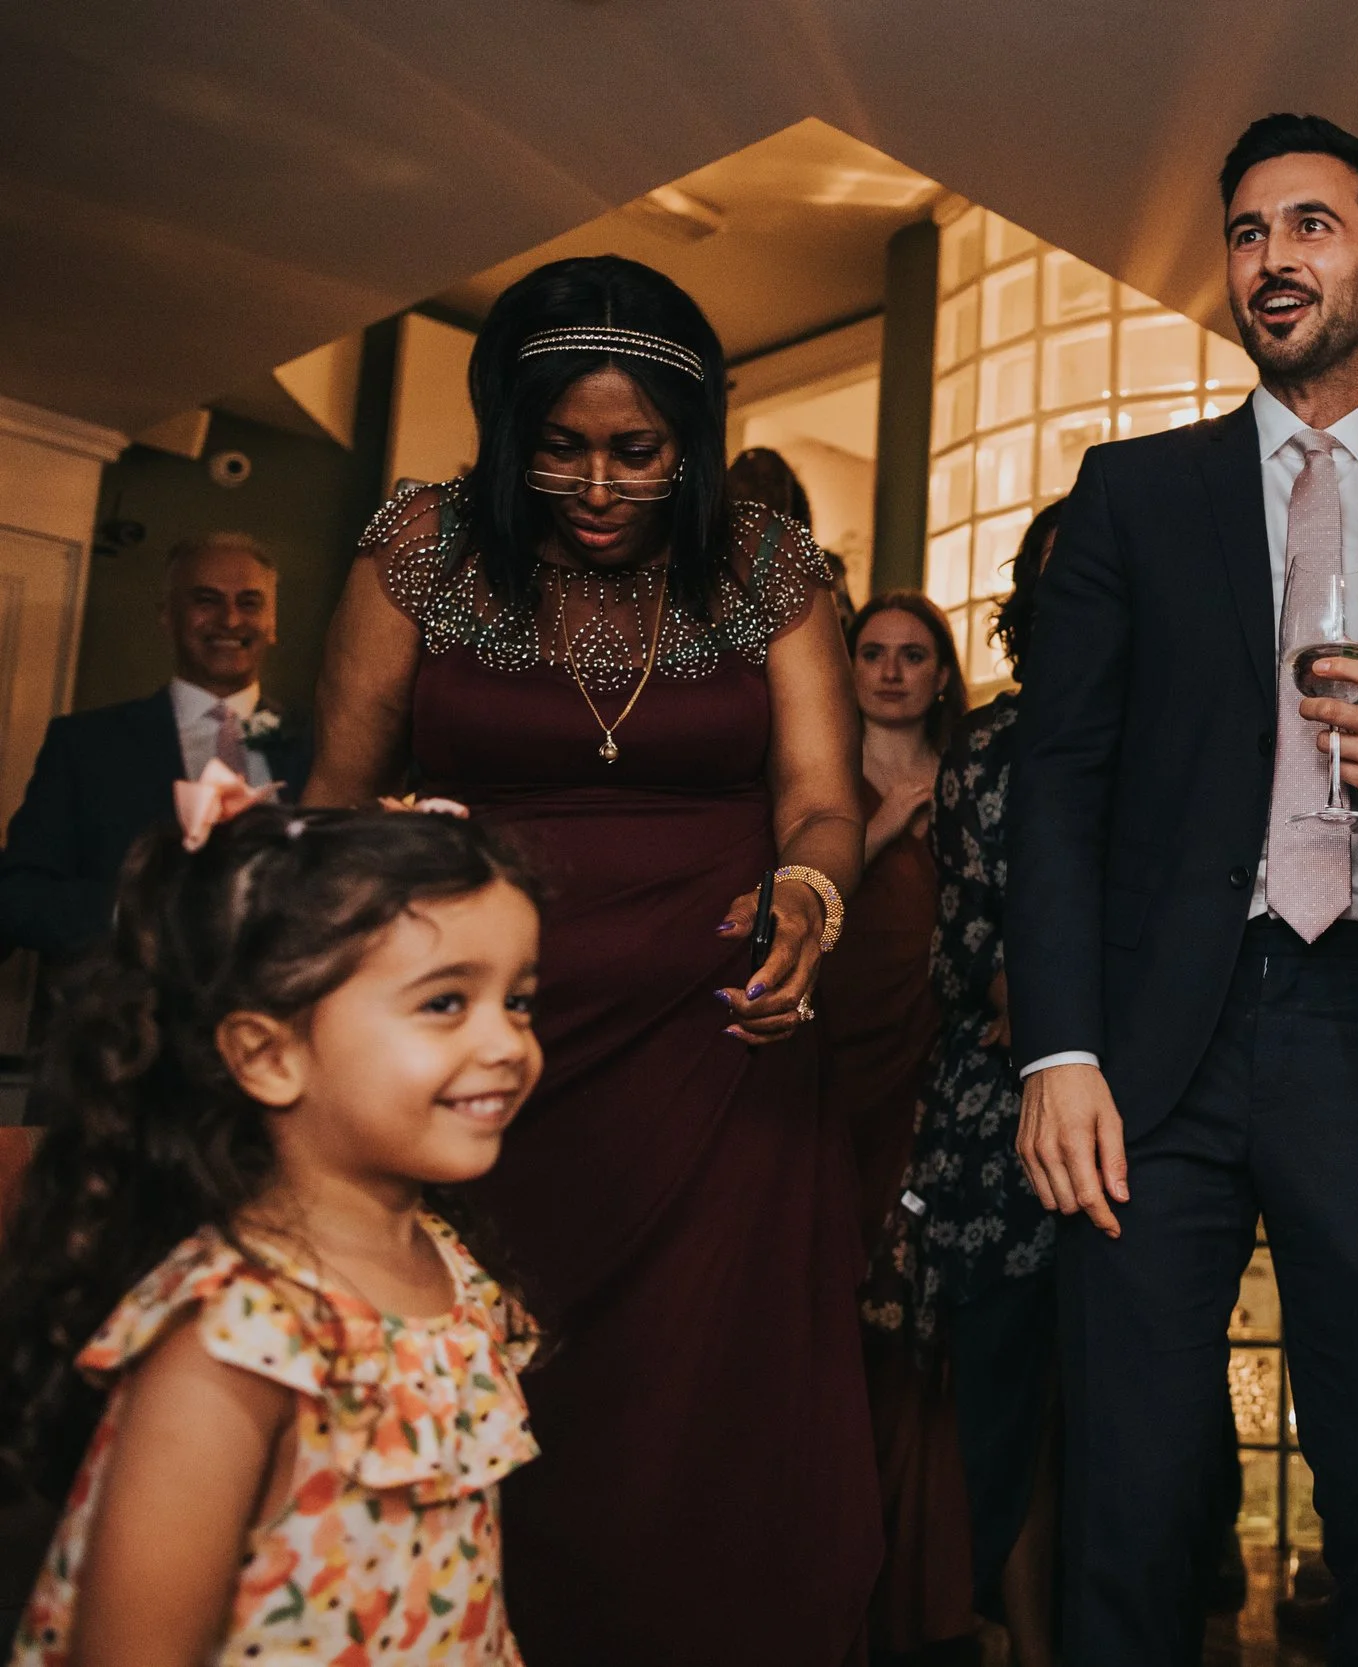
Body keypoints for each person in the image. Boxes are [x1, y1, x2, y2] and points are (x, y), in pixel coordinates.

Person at [1009, 113, 1358, 1666]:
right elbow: (1060, 781)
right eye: (1247, 232)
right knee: (1129, 1476)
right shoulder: (1134, 492)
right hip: (1152, 1048)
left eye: (1310, 227)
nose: (1272, 259)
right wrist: (1059, 1046)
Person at [304, 254, 879, 1666]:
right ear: (510, 431)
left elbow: (822, 796)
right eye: (563, 451)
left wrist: (808, 891)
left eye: (639, 452)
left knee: (707, 1416)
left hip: (721, 1051)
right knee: (504, 1387)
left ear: (691, 443)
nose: (605, 487)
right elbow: (331, 804)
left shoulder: (766, 564)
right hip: (482, 1058)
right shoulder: (423, 549)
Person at [0, 803, 542, 1665]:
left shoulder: (449, 1269)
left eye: (517, 1001)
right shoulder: (236, 1338)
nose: (508, 1041)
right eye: (446, 1001)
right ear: (268, 1055)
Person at [907, 503, 1063, 1666]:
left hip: (1147, 1110)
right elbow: (973, 952)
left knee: (1117, 1409)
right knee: (998, 1393)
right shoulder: (987, 746)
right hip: (997, 1106)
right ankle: (963, 1628)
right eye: (1054, 583)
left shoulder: (1169, 732)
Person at [832, 589, 977, 1659]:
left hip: (949, 1075)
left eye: (911, 654)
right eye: (872, 652)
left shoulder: (974, 782)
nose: (889, 670)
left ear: (941, 672)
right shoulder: (813, 785)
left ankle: (927, 1604)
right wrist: (881, 825)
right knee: (835, 1323)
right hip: (831, 1081)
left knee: (929, 1340)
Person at [0, 533, 311, 962]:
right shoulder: (86, 745)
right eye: (207, 600)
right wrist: (146, 914)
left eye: (250, 603)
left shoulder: (319, 747)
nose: (231, 620)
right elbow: (19, 895)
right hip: (125, 1013)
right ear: (167, 615)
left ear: (273, 623)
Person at [730, 445, 855, 631]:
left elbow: (846, 633)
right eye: (749, 478)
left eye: (773, 481)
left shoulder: (823, 568)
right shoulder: (703, 563)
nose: (761, 489)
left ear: (791, 495)